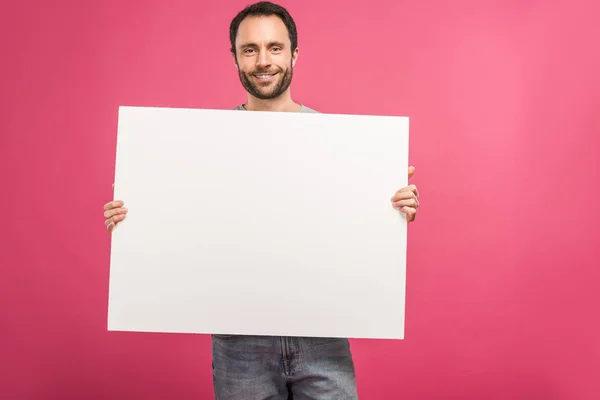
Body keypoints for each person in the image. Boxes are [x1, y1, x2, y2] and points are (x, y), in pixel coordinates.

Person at [103, 2, 420, 399]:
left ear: (294, 54)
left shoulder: (340, 144)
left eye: (275, 47)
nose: (263, 60)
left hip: (321, 333)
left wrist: (392, 209)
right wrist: (133, 220)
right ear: (234, 57)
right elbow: (183, 230)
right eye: (249, 49)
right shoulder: (199, 147)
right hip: (240, 343)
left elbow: (350, 233)